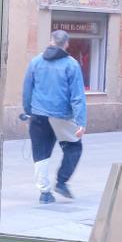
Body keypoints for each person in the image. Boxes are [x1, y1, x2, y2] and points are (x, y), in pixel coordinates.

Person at [22, 29, 87, 204]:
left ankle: (44, 193)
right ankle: (62, 181)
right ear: (66, 44)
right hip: (61, 116)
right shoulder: (71, 64)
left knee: (40, 154)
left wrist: (28, 111)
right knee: (74, 147)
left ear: (51, 41)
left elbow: (27, 90)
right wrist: (81, 122)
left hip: (38, 115)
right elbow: (77, 96)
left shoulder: (35, 62)